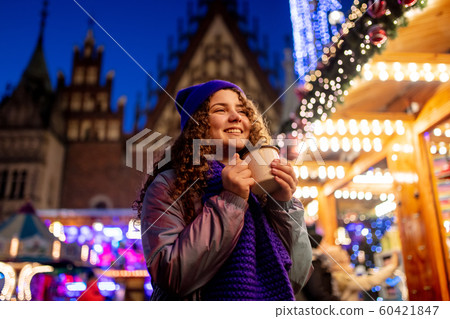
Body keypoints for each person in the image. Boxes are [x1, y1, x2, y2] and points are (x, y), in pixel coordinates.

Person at [134, 80, 312, 300]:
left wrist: (284, 205)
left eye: (242, 110)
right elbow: (172, 276)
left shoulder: (262, 191)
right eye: (220, 109)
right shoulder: (169, 185)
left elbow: (296, 278)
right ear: (196, 123)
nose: (236, 117)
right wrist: (231, 201)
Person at [326, 245, 399, 301]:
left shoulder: (338, 273)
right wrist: (392, 266)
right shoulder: (341, 276)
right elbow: (370, 281)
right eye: (342, 253)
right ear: (339, 258)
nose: (347, 256)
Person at [299, 232, 339, 301]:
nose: (326, 246)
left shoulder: (316, 261)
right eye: (323, 243)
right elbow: (315, 290)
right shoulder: (314, 263)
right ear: (316, 245)